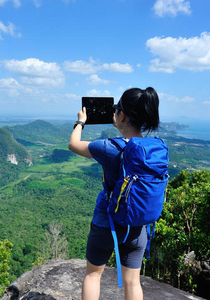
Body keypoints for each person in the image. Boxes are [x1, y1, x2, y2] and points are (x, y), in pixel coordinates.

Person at [68, 87, 162, 300]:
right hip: (138, 225)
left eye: (117, 109)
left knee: (93, 275)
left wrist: (81, 121)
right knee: (133, 282)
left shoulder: (111, 147)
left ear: (121, 115)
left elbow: (73, 144)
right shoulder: (155, 147)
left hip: (107, 222)